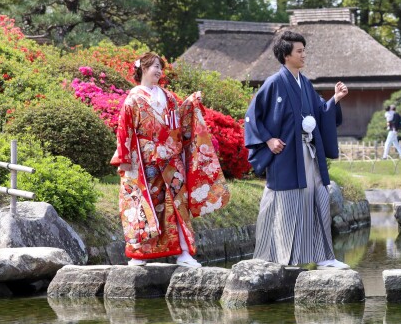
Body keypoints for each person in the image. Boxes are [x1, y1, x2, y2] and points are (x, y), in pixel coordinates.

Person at [111, 52, 229, 268]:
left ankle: (184, 252)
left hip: (171, 159)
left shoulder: (169, 97)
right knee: (143, 205)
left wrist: (191, 104)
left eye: (160, 67)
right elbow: (124, 130)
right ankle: (139, 253)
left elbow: (180, 122)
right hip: (144, 161)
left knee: (177, 204)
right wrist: (125, 159)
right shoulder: (133, 99)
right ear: (143, 69)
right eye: (154, 66)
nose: (159, 71)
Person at [244, 31, 350, 269]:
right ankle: (283, 257)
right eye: (299, 51)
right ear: (286, 55)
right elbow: (252, 117)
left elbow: (320, 112)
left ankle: (323, 257)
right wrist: (268, 140)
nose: (304, 55)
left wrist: (335, 99)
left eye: (304, 50)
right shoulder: (274, 83)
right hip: (286, 155)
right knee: (286, 202)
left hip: (309, 151)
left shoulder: (305, 83)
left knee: (318, 197)